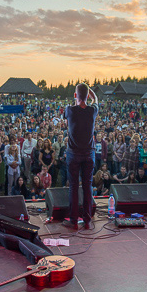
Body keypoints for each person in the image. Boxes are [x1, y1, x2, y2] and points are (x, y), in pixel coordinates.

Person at [63, 83, 98, 230]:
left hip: (73, 154)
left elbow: (68, 115)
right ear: (87, 95)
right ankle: (87, 220)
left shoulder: (69, 110)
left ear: (75, 96)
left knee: (74, 187)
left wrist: (79, 96)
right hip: (89, 153)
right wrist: (91, 94)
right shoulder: (92, 111)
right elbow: (96, 100)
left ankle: (73, 220)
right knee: (87, 186)